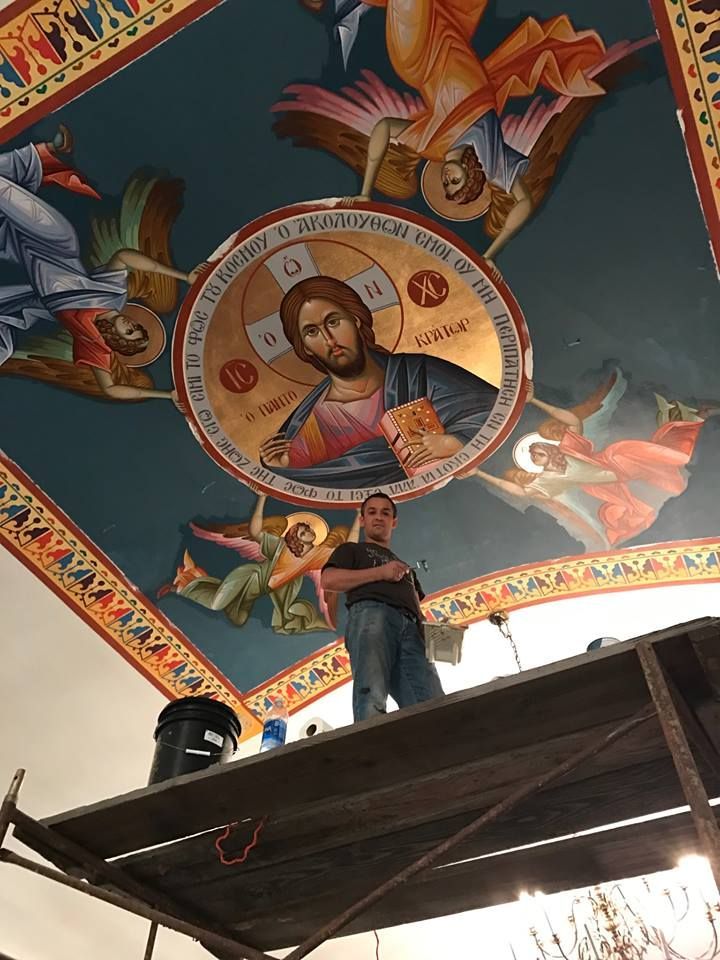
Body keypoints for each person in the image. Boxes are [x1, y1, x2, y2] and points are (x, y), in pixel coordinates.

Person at [0, 128, 203, 405]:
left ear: (118, 341)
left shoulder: (92, 342)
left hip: (26, 266)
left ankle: (42, 153)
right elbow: (124, 257)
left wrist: (166, 395)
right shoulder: (114, 295)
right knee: (7, 194)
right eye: (136, 326)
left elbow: (111, 389)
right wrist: (183, 276)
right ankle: (43, 152)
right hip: (56, 242)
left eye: (129, 332)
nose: (131, 324)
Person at [259, 275, 498, 488]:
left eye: (333, 322)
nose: (329, 339)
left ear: (355, 320)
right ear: (305, 348)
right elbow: (311, 483)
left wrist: (454, 443)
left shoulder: (419, 372)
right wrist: (281, 469)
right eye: (312, 332)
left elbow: (494, 410)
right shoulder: (312, 424)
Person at [320, 491, 443, 721]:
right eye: (372, 512)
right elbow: (329, 580)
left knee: (432, 701)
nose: (378, 517)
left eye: (385, 513)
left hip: (412, 627)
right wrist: (380, 573)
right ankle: (370, 740)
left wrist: (433, 633)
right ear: (362, 520)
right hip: (371, 613)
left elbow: (416, 606)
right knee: (371, 690)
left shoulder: (405, 568)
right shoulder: (351, 550)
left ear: (393, 522)